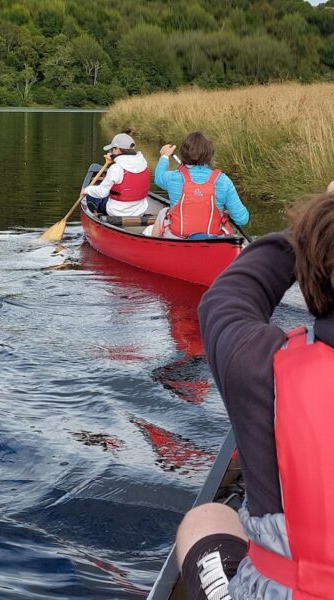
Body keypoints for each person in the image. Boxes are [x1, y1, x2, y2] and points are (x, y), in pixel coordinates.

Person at [175, 191, 334, 599]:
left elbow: (225, 302)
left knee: (206, 518)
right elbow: (241, 215)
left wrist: (313, 224)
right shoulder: (219, 181)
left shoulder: (259, 367)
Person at [149, 131, 249, 238]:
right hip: (212, 241)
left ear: (183, 154)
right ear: (210, 155)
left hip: (177, 239)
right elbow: (242, 219)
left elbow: (159, 177)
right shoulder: (223, 181)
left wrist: (164, 156)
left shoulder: (173, 178)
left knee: (163, 212)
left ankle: (154, 248)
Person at [82, 130, 151, 217]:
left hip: (116, 212)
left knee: (91, 196)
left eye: (112, 149)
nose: (111, 152)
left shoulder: (116, 168)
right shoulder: (144, 164)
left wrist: (86, 190)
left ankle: (96, 217)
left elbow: (102, 193)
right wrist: (114, 159)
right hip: (140, 211)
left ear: (117, 149)